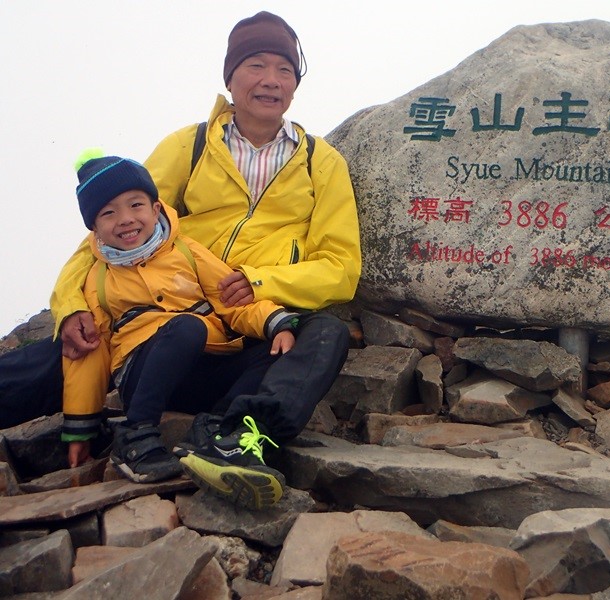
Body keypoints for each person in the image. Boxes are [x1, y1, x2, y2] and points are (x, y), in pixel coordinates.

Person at [0, 11, 360, 507]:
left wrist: (257, 282)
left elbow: (341, 265)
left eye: (285, 69)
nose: (271, 81)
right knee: (73, 348)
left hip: (249, 326)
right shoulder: (188, 146)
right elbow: (107, 233)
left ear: (296, 83)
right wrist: (69, 309)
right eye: (256, 65)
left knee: (325, 334)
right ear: (230, 76)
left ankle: (235, 439)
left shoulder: (322, 162)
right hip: (164, 318)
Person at [65, 151, 297, 509]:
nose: (125, 219)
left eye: (135, 205)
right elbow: (90, 348)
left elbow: (231, 299)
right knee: (187, 328)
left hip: (202, 368)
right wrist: (80, 423)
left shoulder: (186, 251)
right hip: (141, 374)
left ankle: (215, 429)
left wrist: (273, 322)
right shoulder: (96, 280)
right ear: (94, 228)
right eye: (108, 213)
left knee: (271, 351)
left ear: (156, 209)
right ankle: (136, 435)